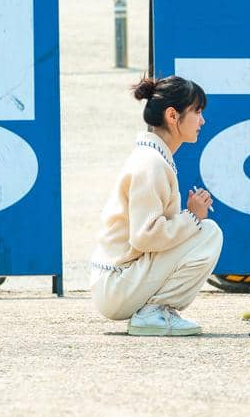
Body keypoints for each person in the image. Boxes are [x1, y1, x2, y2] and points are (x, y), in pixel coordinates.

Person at [89, 75, 223, 336]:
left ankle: (154, 312)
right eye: (197, 112)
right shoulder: (151, 164)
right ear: (173, 116)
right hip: (115, 285)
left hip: (117, 282)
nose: (202, 121)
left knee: (205, 231)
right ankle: (153, 313)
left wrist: (189, 218)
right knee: (209, 233)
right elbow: (145, 236)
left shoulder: (153, 158)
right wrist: (192, 217)